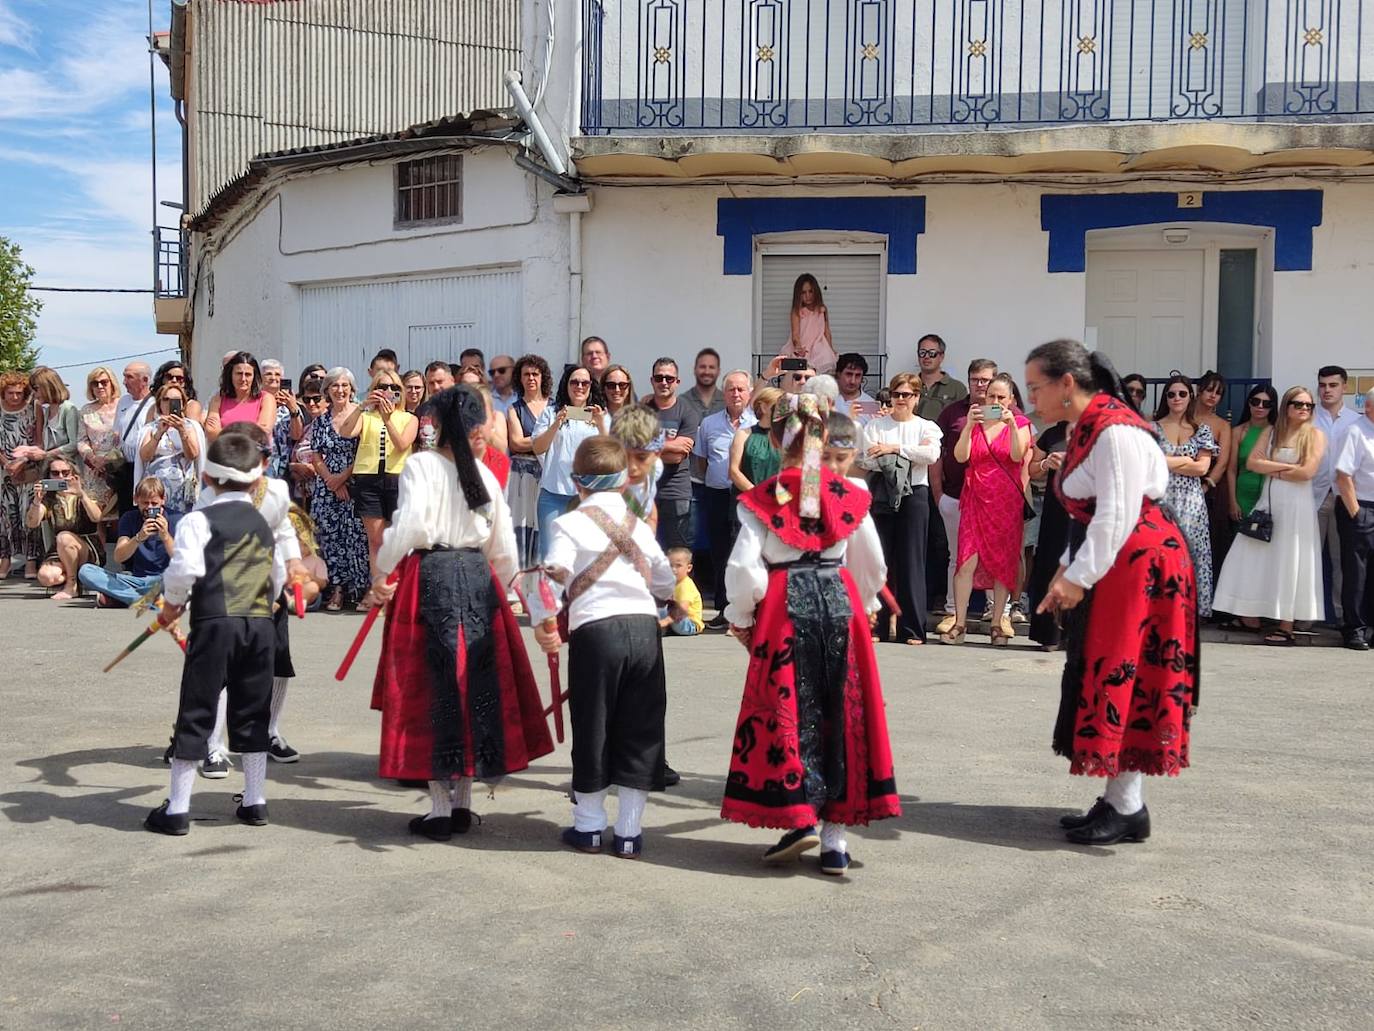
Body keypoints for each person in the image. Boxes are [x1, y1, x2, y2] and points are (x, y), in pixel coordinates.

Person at [1026, 340, 1198, 847]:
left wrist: (1077, 578)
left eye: (1036, 387)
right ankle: (1123, 800)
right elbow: (1097, 514)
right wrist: (1066, 570)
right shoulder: (1093, 427)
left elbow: (1116, 513)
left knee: (1125, 674)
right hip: (1125, 559)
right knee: (1116, 673)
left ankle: (1127, 806)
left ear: (1067, 384)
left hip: (1139, 562)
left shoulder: (1115, 431)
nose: (1031, 397)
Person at [364, 385, 553, 838]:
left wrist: (383, 573)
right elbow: (503, 547)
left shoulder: (423, 467)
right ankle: (462, 803)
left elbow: (407, 526)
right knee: (473, 687)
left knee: (434, 690)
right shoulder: (484, 477)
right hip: (476, 579)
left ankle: (441, 808)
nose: (484, 431)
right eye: (479, 424)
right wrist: (511, 590)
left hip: (431, 576)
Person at [721, 393, 897, 874]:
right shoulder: (848, 493)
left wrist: (740, 616)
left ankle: (799, 818)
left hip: (784, 605)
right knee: (840, 709)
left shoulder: (770, 494)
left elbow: (745, 569)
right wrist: (867, 604)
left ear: (781, 443)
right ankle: (835, 842)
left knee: (789, 709)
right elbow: (872, 562)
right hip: (839, 602)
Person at [529, 434, 675, 858]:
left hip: (596, 630)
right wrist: (660, 596)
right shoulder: (639, 528)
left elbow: (551, 575)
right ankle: (629, 832)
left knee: (593, 724)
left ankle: (589, 826)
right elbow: (664, 578)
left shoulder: (568, 524)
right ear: (624, 483)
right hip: (644, 628)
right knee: (642, 727)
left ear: (578, 483)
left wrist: (544, 621)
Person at [143, 435, 281, 835]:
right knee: (254, 709)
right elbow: (279, 577)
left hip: (215, 623)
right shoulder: (264, 522)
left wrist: (172, 605)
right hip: (258, 625)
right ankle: (255, 801)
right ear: (256, 483)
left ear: (206, 477)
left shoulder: (197, 520)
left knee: (198, 708)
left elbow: (183, 570)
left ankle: (178, 809)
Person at [1212, 387, 1325, 644]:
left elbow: (1307, 472)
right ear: (1286, 406)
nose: (1304, 409)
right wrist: (1289, 468)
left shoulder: (1316, 435)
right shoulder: (1270, 432)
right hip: (1268, 503)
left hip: (1297, 508)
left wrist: (1273, 468)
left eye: (1308, 405)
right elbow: (1252, 463)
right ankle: (1249, 615)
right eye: (1298, 404)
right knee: (1248, 557)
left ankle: (1287, 624)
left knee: (1290, 562)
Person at [946, 373, 1030, 646]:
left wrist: (1012, 426)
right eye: (991, 396)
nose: (994, 401)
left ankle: (997, 622)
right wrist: (970, 426)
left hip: (1005, 502)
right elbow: (961, 456)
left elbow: (1018, 456)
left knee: (1001, 562)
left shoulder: (1020, 424)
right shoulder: (977, 422)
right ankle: (959, 622)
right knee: (966, 560)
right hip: (975, 498)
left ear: (1011, 400)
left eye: (1001, 397)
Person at [857, 372, 942, 645]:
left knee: (911, 562)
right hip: (883, 492)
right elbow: (865, 457)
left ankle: (912, 628)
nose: (901, 400)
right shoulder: (876, 425)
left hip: (915, 494)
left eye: (906, 395)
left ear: (916, 397)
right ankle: (877, 626)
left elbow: (929, 455)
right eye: (896, 394)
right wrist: (902, 452)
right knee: (879, 560)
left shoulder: (926, 426)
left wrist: (893, 448)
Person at [337, 369, 418, 585]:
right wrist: (362, 406)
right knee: (376, 540)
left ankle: (399, 588)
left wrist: (388, 419)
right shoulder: (365, 416)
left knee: (398, 539)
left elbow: (402, 445)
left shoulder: (409, 418)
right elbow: (345, 432)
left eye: (393, 388)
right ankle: (380, 588)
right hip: (368, 480)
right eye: (382, 387)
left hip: (397, 479)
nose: (388, 391)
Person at [1153, 374, 1220, 618]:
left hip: (1192, 502)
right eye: (1171, 394)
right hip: (1161, 498)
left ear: (1190, 397)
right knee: (1161, 554)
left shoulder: (1202, 429)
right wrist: (1184, 460)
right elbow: (1149, 463)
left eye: (1182, 393)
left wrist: (1167, 461)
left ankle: (1186, 610)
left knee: (1191, 554)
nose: (1176, 398)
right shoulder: (1152, 427)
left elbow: (1202, 468)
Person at [694, 370, 753, 628]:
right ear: (724, 393)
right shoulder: (709, 424)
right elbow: (701, 461)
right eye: (731, 389)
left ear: (749, 393)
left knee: (746, 552)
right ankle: (723, 608)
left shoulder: (758, 423)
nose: (736, 394)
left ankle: (747, 610)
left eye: (741, 389)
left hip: (747, 497)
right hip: (717, 495)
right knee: (720, 553)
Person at [309, 368, 370, 610]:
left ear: (352, 389)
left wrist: (343, 479)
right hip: (327, 487)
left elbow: (365, 450)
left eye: (344, 385)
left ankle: (360, 589)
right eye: (334, 385)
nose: (340, 390)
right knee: (330, 538)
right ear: (327, 390)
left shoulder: (362, 415)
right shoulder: (321, 420)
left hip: (355, 482)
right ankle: (337, 590)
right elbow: (316, 454)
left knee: (356, 538)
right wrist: (331, 482)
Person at [531, 365, 607, 558]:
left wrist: (601, 424)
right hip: (552, 495)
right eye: (574, 382)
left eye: (585, 382)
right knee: (551, 556)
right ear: (566, 385)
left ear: (591, 386)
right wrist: (556, 423)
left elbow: (609, 454)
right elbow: (538, 447)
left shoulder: (600, 415)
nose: (579, 386)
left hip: (587, 496)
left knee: (583, 556)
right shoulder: (550, 412)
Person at [77, 476, 178, 607]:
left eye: (154, 504)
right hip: (135, 579)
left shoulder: (177, 519)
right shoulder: (129, 518)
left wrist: (165, 536)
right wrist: (138, 538)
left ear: (163, 500)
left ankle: (122, 598)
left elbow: (184, 561)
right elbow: (119, 557)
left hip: (165, 579)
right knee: (86, 571)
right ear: (136, 500)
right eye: (145, 503)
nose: (149, 508)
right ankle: (145, 600)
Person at [1313, 366, 1361, 625]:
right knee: (1308, 559)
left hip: (1345, 497)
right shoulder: (1307, 417)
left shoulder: (1356, 420)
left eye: (1333, 385)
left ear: (1344, 386)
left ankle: (1343, 616)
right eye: (1322, 385)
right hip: (1313, 496)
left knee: (1342, 560)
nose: (1327, 390)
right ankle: (1305, 617)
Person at [26, 456, 103, 600]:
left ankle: (71, 585)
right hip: (61, 549)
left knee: (64, 537)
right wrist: (36, 501)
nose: (60, 476)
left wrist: (81, 495)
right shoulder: (48, 498)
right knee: (46, 577)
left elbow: (97, 517)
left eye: (65, 472)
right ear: (48, 476)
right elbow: (32, 523)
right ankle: (76, 575)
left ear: (73, 474)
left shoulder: (85, 491)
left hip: (88, 547)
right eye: (55, 473)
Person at [647, 358, 701, 551]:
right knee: (644, 549)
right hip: (644, 491)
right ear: (652, 380)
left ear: (677, 382)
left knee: (677, 552)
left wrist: (648, 446)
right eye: (659, 377)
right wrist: (671, 445)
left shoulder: (688, 412)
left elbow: (679, 455)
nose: (664, 382)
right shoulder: (642, 411)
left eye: (669, 378)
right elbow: (633, 448)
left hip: (675, 492)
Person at [1026, 418, 1071, 649]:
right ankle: (1050, 634)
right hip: (1056, 510)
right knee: (1052, 565)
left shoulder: (1100, 432)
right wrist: (1046, 464)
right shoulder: (1052, 434)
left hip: (1089, 507)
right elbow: (1032, 469)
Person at [1334, 390, 1374, 650]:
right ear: (1369, 407)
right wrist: (1356, 513)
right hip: (1361, 507)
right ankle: (1355, 629)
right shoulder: (1355, 431)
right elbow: (1343, 474)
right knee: (1357, 572)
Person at [506, 354, 552, 568]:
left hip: (549, 474)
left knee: (545, 525)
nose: (531, 378)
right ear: (519, 378)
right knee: (522, 525)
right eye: (526, 374)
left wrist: (531, 441)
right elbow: (515, 443)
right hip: (522, 476)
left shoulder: (555, 407)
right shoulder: (514, 409)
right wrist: (546, 439)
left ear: (543, 377)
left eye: (535, 373)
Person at [134, 382, 207, 516]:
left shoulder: (191, 426)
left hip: (183, 488)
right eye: (165, 399)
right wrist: (159, 433)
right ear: (159, 404)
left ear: (183, 404)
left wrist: (181, 431)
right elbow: (144, 456)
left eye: (175, 400)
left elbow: (193, 454)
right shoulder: (150, 428)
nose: (169, 403)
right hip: (156, 489)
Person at [1194, 371, 1235, 573]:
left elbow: (1223, 461)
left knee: (1213, 540)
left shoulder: (1222, 425)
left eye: (1218, 393)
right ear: (1199, 390)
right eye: (1209, 390)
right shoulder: (1183, 416)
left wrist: (1207, 484)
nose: (1212, 395)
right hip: (1181, 480)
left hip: (1212, 489)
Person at [0, 372, 37, 578]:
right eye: (10, 393)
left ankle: (30, 561)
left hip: (28, 468)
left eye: (19, 393)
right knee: (5, 516)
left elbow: (38, 440)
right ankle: (5, 560)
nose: (15, 397)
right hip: (3, 471)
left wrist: (21, 461)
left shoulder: (32, 409)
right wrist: (7, 464)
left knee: (27, 514)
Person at [75, 366, 122, 522]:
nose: (100, 386)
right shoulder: (86, 410)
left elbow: (128, 437)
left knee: (119, 514)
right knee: (97, 518)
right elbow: (81, 440)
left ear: (112, 383)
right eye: (95, 383)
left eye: (104, 382)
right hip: (94, 470)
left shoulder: (123, 406)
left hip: (118, 468)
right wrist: (92, 458)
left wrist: (108, 459)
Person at [770, 273, 836, 375]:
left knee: (821, 370)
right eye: (803, 293)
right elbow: (795, 332)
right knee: (799, 374)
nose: (807, 296)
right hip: (802, 346)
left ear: (816, 292)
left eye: (810, 292)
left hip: (818, 346)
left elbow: (827, 331)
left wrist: (831, 349)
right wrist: (798, 346)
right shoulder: (797, 311)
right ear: (798, 294)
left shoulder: (822, 309)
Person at [204, 351, 275, 443]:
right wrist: (247, 433)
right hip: (225, 456)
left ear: (254, 377)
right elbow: (211, 432)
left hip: (253, 455)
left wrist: (224, 432)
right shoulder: (218, 399)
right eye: (239, 373)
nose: (243, 379)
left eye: (248, 374)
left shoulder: (266, 399)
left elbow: (262, 432)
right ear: (231, 375)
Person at [728, 386, 783, 493]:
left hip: (779, 501)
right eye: (778, 405)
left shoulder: (787, 436)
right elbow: (734, 471)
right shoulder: (743, 434)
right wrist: (757, 493)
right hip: (747, 500)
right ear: (764, 407)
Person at [27, 367, 80, 466]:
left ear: (48, 386)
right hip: (50, 468)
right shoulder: (47, 411)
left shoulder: (68, 409)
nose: (34, 393)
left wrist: (45, 455)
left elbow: (74, 445)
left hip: (66, 469)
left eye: (36, 388)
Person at [260, 360, 303, 480]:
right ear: (261, 378)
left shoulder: (290, 404)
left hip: (285, 468)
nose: (273, 378)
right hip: (262, 464)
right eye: (268, 374)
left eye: (277, 374)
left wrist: (293, 409)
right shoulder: (256, 402)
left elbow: (296, 435)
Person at [914, 334, 968, 422]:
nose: (926, 357)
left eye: (932, 353)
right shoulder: (908, 385)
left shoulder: (957, 388)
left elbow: (962, 422)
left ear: (941, 356)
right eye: (922, 352)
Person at [661, 547, 704, 636]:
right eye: (670, 565)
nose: (673, 569)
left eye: (678, 565)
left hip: (690, 624)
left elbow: (682, 609)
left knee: (664, 607)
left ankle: (661, 628)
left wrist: (666, 621)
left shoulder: (686, 585)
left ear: (689, 568)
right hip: (677, 621)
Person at [835, 353, 879, 424]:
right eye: (849, 374)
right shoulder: (828, 399)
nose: (853, 381)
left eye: (858, 375)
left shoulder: (870, 404)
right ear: (838, 374)